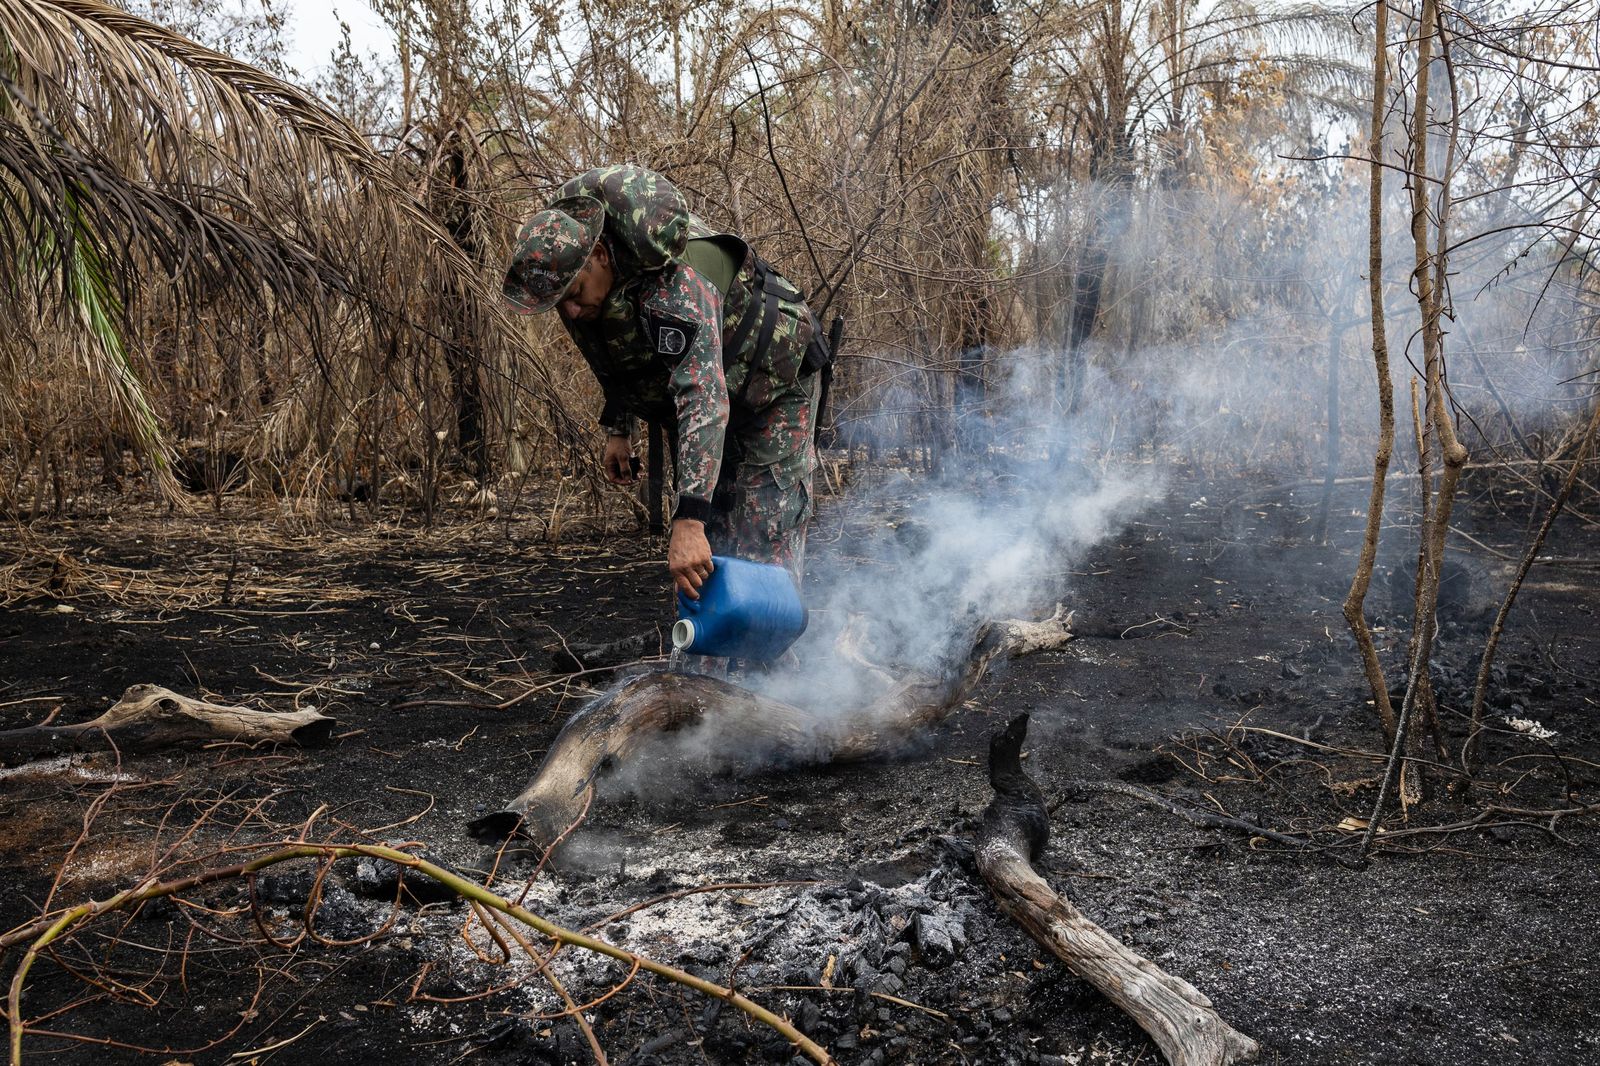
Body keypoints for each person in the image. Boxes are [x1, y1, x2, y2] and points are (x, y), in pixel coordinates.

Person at [503, 165, 833, 600]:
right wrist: (618, 427)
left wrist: (690, 519)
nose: (573, 313)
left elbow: (703, 396)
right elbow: (618, 354)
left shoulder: (674, 284)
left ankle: (777, 662)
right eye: (561, 303)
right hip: (714, 394)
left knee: (761, 539)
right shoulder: (580, 286)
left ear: (600, 255)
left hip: (773, 386)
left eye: (575, 295)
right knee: (708, 550)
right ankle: (712, 660)